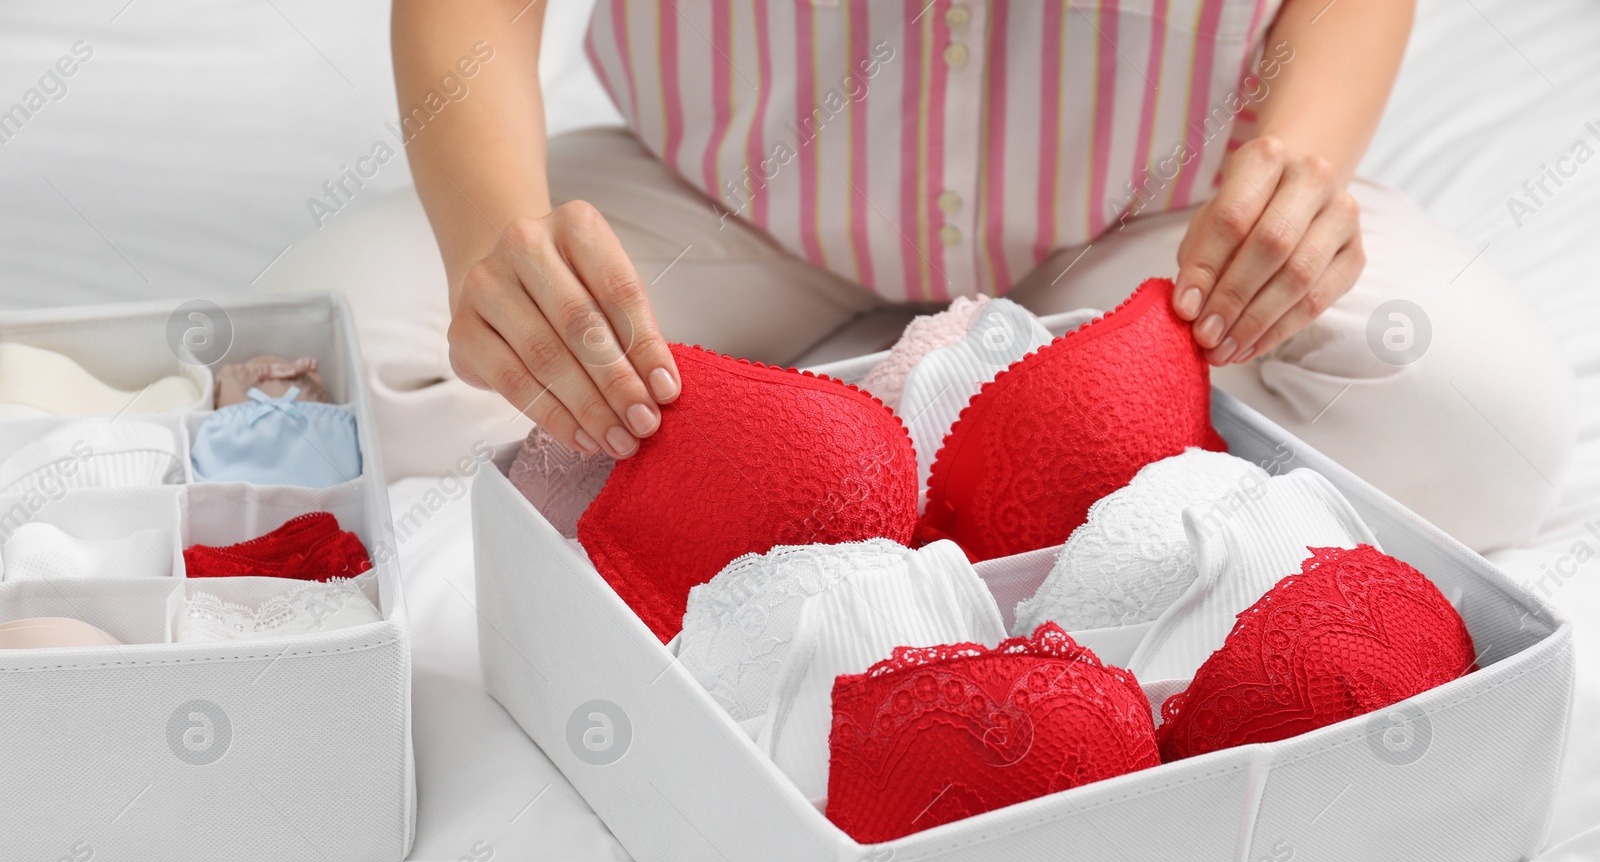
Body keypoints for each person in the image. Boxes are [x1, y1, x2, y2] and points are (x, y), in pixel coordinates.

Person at [344, 0, 1572, 552]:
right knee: (339, 374)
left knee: (1480, 424)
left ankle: (831, 464)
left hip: (1155, 220)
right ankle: (869, 456)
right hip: (727, 190)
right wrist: (493, 235)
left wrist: (1299, 161)